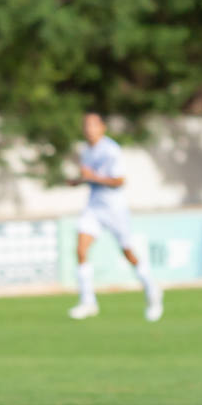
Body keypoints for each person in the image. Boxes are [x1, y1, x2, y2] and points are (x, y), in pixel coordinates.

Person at [67, 112, 163, 322]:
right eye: (86, 126)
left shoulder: (111, 150)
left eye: (93, 125)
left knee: (128, 252)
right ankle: (88, 301)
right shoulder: (86, 150)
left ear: (102, 128)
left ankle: (152, 291)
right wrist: (78, 181)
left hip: (114, 208)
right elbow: (90, 178)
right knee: (81, 249)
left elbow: (119, 181)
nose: (89, 130)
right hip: (93, 206)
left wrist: (93, 177)